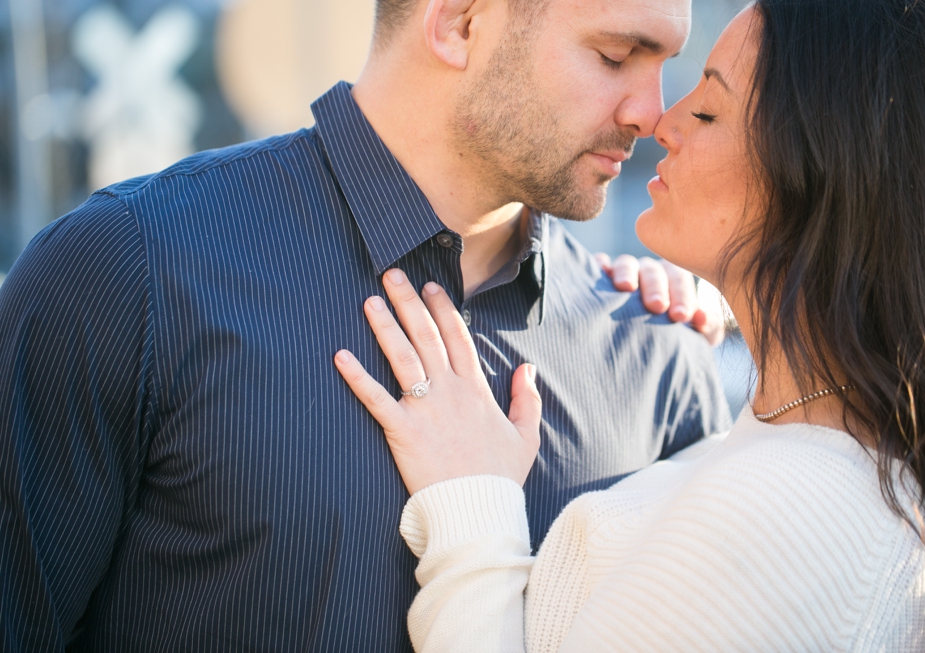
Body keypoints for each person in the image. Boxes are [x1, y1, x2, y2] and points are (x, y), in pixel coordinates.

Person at [0, 0, 731, 650]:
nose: (653, 113)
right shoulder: (128, 271)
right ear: (459, 23)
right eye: (615, 56)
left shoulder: (660, 356)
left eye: (665, 64)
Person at [336, 0, 925, 650]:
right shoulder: (793, 448)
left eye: (708, 110)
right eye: (616, 57)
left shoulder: (792, 512)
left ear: (824, 176)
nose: (660, 121)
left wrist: (471, 506)